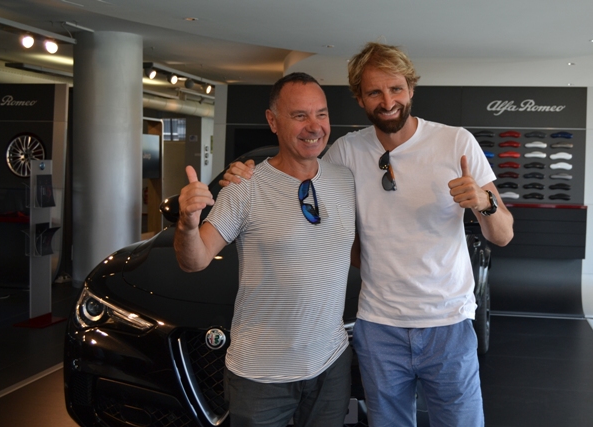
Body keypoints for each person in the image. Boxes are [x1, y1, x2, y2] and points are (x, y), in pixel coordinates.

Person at [222, 42, 514, 427]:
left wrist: (484, 202)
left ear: (411, 89)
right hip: (379, 329)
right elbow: (296, 179)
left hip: (448, 324)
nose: (387, 101)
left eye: (396, 89)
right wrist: (245, 175)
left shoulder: (455, 142)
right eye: (375, 92)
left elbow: (503, 234)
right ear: (359, 99)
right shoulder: (345, 152)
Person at [174, 72, 356, 427]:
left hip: (330, 366)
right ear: (273, 121)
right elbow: (194, 260)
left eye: (321, 114)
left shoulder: (345, 179)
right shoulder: (244, 186)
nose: (314, 126)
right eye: (299, 115)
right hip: (260, 375)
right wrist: (187, 223)